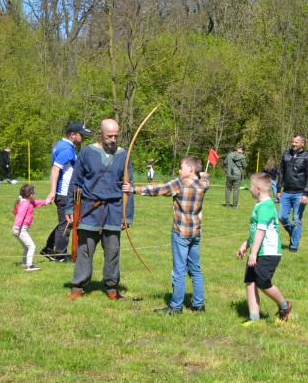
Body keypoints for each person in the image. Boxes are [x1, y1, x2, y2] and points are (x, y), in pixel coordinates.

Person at [124, 156, 210, 314]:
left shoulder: (179, 184)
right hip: (195, 233)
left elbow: (157, 189)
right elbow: (205, 174)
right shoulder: (203, 183)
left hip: (180, 233)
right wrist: (197, 172)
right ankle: (198, 305)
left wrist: (133, 189)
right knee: (195, 269)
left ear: (190, 169)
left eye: (181, 167)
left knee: (179, 270)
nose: (179, 170)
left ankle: (176, 306)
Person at [67, 119, 133, 301]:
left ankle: (112, 286)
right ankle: (79, 285)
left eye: (116, 136)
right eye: (109, 136)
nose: (113, 140)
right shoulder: (87, 152)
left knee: (113, 250)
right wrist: (69, 208)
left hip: (113, 208)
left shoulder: (123, 155)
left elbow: (129, 187)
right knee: (85, 249)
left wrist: (127, 215)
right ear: (100, 133)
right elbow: (75, 182)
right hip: (90, 207)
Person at [237, 173, 292, 324]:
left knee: (263, 283)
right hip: (257, 250)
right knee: (250, 282)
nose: (249, 190)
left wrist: (253, 253)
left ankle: (284, 305)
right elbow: (256, 231)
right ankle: (254, 317)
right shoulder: (260, 205)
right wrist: (246, 244)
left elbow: (261, 231)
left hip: (268, 252)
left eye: (251, 187)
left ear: (258, 189)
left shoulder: (266, 207)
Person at [41, 122, 92, 263]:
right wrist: (52, 192)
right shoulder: (66, 149)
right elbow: (55, 169)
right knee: (67, 224)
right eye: (81, 135)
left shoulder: (63, 145)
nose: (83, 137)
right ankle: (60, 256)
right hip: (64, 193)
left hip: (67, 192)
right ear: (72, 135)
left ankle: (48, 248)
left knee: (64, 222)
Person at [277, 133, 308, 252]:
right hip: (286, 192)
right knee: (281, 217)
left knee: (296, 220)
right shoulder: (286, 154)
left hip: (300, 193)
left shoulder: (307, 156)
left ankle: (294, 246)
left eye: (296, 142)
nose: (293, 144)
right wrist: (278, 189)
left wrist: (305, 194)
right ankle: (294, 234)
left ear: (302, 143)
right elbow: (281, 172)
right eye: (292, 142)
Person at [12, 183, 49, 272]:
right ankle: (29, 266)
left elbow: (36, 203)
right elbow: (19, 216)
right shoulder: (25, 204)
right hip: (21, 230)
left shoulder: (27, 202)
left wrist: (46, 201)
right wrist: (16, 227)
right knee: (32, 246)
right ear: (31, 194)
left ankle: (24, 263)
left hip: (20, 229)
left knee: (27, 247)